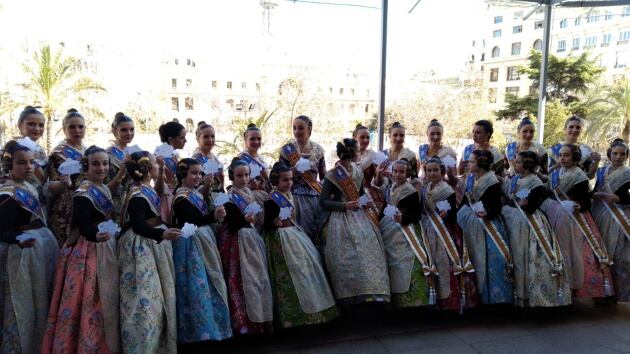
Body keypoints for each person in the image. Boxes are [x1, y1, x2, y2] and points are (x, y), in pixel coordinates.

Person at [43, 146, 120, 353]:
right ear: (86, 166)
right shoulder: (83, 192)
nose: (101, 168)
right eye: (96, 164)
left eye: (105, 163)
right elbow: (83, 225)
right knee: (88, 299)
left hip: (105, 246)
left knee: (106, 299)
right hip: (89, 251)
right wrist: (95, 235)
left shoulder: (103, 188)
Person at [118, 151, 181, 353]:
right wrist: (161, 234)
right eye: (155, 163)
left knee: (156, 298)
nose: (157, 165)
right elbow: (137, 225)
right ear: (146, 169)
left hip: (150, 243)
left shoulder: (145, 189)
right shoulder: (137, 194)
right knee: (143, 301)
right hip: (141, 248)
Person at [263, 162, 338, 329]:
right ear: (276, 181)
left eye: (290, 179)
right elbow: (267, 224)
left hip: (295, 235)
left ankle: (316, 310)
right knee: (292, 273)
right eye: (284, 180)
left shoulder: (290, 195)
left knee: (307, 269)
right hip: (281, 240)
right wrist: (273, 223)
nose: (289, 183)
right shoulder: (271, 199)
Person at [0, 141, 59, 353]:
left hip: (39, 249)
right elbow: (3, 230)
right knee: (24, 304)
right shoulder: (7, 194)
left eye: (32, 162)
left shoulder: (29, 186)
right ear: (9, 164)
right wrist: (18, 239)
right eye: (21, 163)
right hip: (23, 254)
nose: (28, 167)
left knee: (41, 299)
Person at [319, 139, 390, 304]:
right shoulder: (332, 175)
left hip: (359, 215)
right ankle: (348, 293)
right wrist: (343, 205)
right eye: (345, 156)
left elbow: (359, 194)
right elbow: (323, 201)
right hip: (339, 218)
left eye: (350, 156)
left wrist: (367, 202)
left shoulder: (358, 172)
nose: (347, 160)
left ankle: (371, 289)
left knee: (367, 249)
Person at [171, 158, 232, 343]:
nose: (198, 176)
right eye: (194, 173)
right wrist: (213, 216)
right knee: (197, 285)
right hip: (191, 246)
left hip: (202, 241)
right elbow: (191, 220)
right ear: (183, 175)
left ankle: (213, 328)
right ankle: (199, 331)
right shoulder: (181, 197)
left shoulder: (192, 193)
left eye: (200, 173)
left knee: (209, 283)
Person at [502, 151, 571, 307]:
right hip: (512, 218)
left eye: (518, 162)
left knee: (525, 256)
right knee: (515, 256)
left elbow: (533, 205)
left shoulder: (535, 182)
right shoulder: (516, 178)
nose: (515, 164)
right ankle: (517, 293)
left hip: (528, 223)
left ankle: (528, 294)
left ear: (527, 165)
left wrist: (527, 203)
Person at [546, 144, 613, 299]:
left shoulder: (579, 175)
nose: (562, 158)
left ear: (575, 158)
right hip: (557, 217)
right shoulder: (557, 172)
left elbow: (585, 200)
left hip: (576, 219)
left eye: (566, 155)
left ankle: (575, 289)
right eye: (560, 155)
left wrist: (579, 206)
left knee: (576, 253)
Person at [218, 158, 273, 335]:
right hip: (238, 241)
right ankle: (246, 325)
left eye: (246, 175)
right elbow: (232, 223)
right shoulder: (228, 197)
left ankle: (263, 319)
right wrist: (245, 219)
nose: (243, 178)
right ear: (232, 176)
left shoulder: (251, 193)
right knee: (243, 280)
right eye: (239, 175)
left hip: (252, 238)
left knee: (259, 278)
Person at [421, 157, 478, 312]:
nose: (432, 173)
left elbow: (454, 214)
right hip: (428, 228)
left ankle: (450, 301)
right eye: (429, 170)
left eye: (435, 170)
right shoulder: (425, 188)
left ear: (442, 172)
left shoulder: (447, 190)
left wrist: (448, 214)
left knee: (445, 263)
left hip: (445, 232)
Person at [375, 159, 434, 308]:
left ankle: (411, 301)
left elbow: (417, 214)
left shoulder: (412, 191)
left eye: (402, 172)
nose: (398, 174)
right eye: (395, 171)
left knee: (405, 263)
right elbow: (384, 209)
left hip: (405, 231)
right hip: (388, 228)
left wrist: (404, 218)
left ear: (407, 173)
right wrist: (376, 221)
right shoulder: (389, 188)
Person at [457, 150, 514, 304]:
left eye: (472, 162)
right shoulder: (471, 178)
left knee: (490, 260)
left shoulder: (491, 181)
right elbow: (465, 200)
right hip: (471, 222)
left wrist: (487, 213)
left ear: (481, 163)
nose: (468, 164)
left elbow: (496, 205)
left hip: (488, 226)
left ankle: (493, 298)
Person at [592, 139, 630, 302]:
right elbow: (594, 191)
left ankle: (617, 293)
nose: (618, 157)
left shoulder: (627, 173)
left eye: (622, 154)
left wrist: (619, 198)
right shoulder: (601, 172)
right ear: (609, 154)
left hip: (619, 218)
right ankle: (603, 291)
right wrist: (595, 195)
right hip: (600, 215)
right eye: (615, 153)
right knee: (601, 253)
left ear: (627, 156)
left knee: (618, 254)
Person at [278, 115, 326, 241]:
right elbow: (279, 176)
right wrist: (294, 170)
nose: (296, 132)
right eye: (294, 128)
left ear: (309, 129)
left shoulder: (318, 150)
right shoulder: (287, 150)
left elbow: (324, 177)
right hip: (293, 197)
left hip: (314, 198)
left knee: (315, 234)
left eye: (300, 128)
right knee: (298, 236)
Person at [47, 109, 87, 244]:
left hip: (87, 200)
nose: (77, 130)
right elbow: (51, 185)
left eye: (81, 126)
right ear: (64, 129)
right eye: (72, 127)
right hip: (66, 206)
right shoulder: (58, 153)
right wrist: (65, 184)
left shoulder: (87, 151)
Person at [14, 106, 49, 199]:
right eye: (31, 124)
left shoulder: (41, 150)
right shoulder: (12, 148)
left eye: (41, 125)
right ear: (20, 125)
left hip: (40, 200)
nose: (37, 128)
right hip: (20, 198)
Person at [157, 120, 187, 225]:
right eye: (182, 138)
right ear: (171, 139)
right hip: (166, 198)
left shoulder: (173, 154)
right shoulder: (161, 156)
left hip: (174, 194)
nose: (185, 140)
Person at [106, 112, 133, 217]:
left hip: (133, 202)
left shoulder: (133, 152)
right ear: (114, 131)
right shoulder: (108, 154)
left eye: (131, 129)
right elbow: (106, 187)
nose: (129, 133)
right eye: (124, 130)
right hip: (116, 205)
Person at [353, 124, 385, 212]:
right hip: (349, 193)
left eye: (368, 137)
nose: (365, 140)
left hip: (367, 193)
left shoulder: (374, 156)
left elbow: (379, 183)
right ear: (354, 138)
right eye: (362, 137)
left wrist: (379, 173)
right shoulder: (347, 155)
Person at [418, 120, 458, 186]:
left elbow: (455, 182)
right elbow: (417, 176)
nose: (435, 137)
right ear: (427, 134)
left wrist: (440, 178)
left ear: (442, 134)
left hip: (443, 191)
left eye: (438, 134)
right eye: (432, 134)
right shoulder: (422, 150)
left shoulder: (449, 152)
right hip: (424, 189)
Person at [192, 121, 225, 194]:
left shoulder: (214, 157)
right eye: (206, 137)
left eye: (212, 136)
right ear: (198, 139)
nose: (210, 140)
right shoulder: (195, 160)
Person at [384, 122, 419, 188]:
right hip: (384, 193)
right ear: (389, 136)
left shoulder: (410, 155)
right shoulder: (383, 155)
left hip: (403, 193)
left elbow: (414, 179)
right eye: (395, 135)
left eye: (401, 135)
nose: (398, 138)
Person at [238, 124, 270, 192]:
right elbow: (236, 187)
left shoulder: (261, 159)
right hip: (249, 199)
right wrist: (249, 187)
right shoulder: (240, 159)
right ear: (245, 140)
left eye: (259, 139)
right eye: (252, 139)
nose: (256, 142)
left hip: (264, 197)